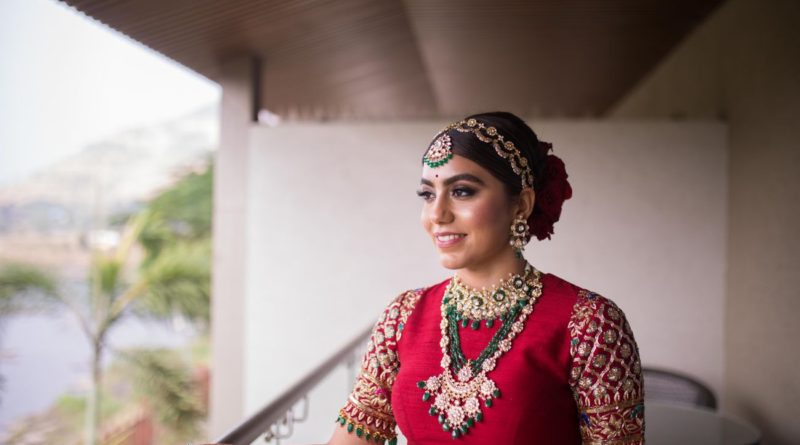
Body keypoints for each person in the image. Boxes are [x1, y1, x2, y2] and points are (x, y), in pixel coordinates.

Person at [327, 112, 644, 445]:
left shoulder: (590, 324)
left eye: (462, 191)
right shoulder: (402, 317)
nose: (437, 214)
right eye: (428, 195)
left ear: (521, 205)